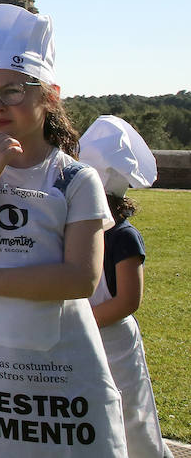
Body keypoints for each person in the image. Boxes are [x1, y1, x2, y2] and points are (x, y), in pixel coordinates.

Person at [0, 4, 125, 455]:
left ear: (49, 95)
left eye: (12, 92)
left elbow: (81, 278)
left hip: (59, 366)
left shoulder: (76, 179)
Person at [79, 116, 171, 458]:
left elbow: (127, 301)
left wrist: (80, 320)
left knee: (129, 413)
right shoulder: (73, 232)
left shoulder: (123, 238)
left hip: (114, 341)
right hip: (82, 337)